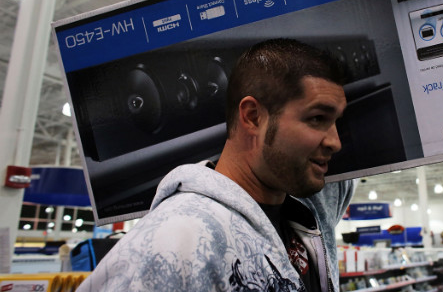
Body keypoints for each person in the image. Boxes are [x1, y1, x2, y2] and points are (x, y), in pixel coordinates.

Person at [77, 39, 355, 291]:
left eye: (336, 121)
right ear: (254, 117)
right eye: (317, 118)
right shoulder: (175, 243)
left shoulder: (302, 217)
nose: (335, 142)